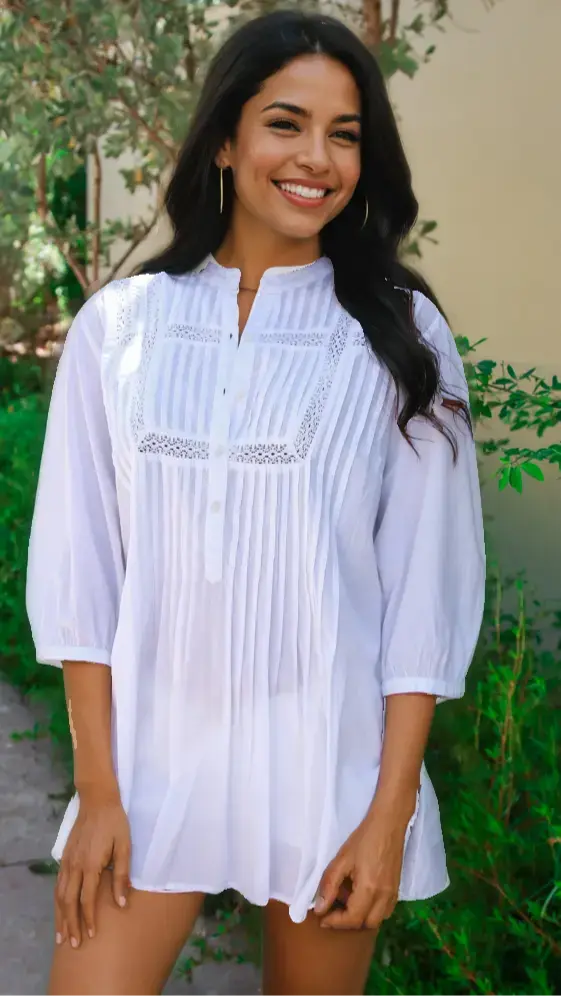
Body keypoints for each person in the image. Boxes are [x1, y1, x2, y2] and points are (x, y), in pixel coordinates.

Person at [26, 9, 486, 996]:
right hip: (149, 768)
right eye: (286, 123)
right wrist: (99, 791)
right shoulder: (124, 328)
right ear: (226, 142)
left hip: (330, 770)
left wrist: (388, 815)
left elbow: (422, 600)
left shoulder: (400, 339)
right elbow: (83, 578)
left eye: (346, 133)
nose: (317, 157)